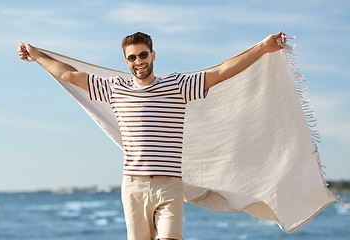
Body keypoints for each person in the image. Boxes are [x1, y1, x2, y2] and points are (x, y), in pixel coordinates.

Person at [18, 31, 286, 240]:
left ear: (153, 55)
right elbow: (68, 74)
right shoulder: (115, 88)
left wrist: (263, 47)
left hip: (169, 185)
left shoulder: (177, 85)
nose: (138, 62)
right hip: (133, 186)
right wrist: (36, 54)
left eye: (143, 55)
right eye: (132, 58)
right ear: (126, 61)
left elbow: (220, 72)